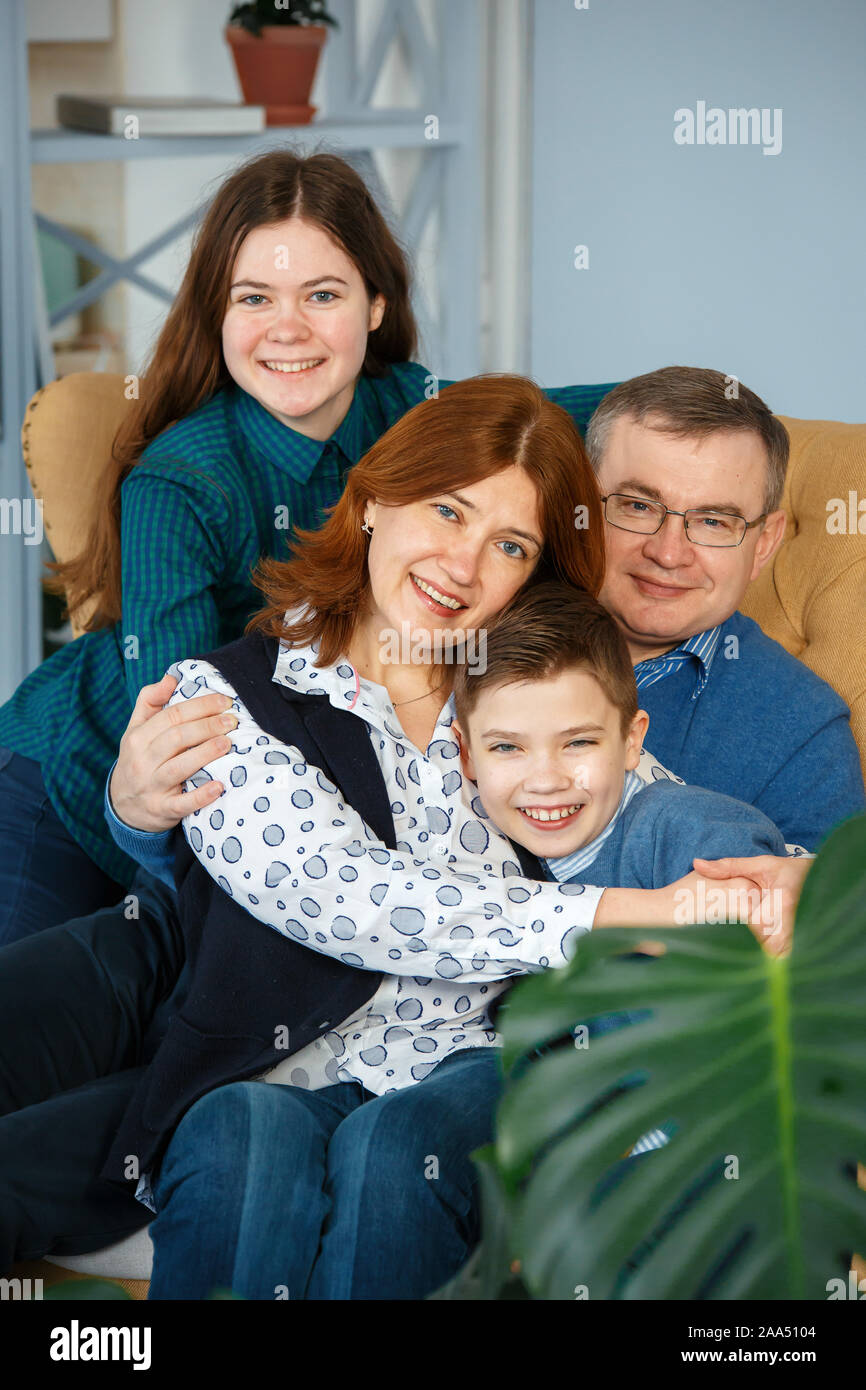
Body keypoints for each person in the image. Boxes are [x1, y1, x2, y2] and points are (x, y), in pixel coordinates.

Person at [96, 379, 806, 1300]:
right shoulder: (224, 697)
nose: (464, 565)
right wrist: (640, 913)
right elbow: (354, 898)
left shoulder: (524, 704)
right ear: (374, 501)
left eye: (509, 544)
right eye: (447, 509)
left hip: (467, 1074)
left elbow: (661, 812)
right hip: (268, 1062)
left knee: (398, 1154)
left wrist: (790, 882)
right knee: (244, 1140)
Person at [0, 143, 618, 945]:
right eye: (254, 298)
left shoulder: (412, 412)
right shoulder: (182, 483)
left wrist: (708, 433)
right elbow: (186, 738)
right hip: (76, 786)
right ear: (216, 313)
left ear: (374, 306)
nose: (287, 330)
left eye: (322, 294)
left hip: (261, 807)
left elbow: (578, 415)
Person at [584, 367, 865, 851]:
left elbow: (824, 923)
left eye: (714, 521)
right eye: (638, 506)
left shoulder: (803, 736)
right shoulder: (478, 625)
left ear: (764, 544)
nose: (668, 553)